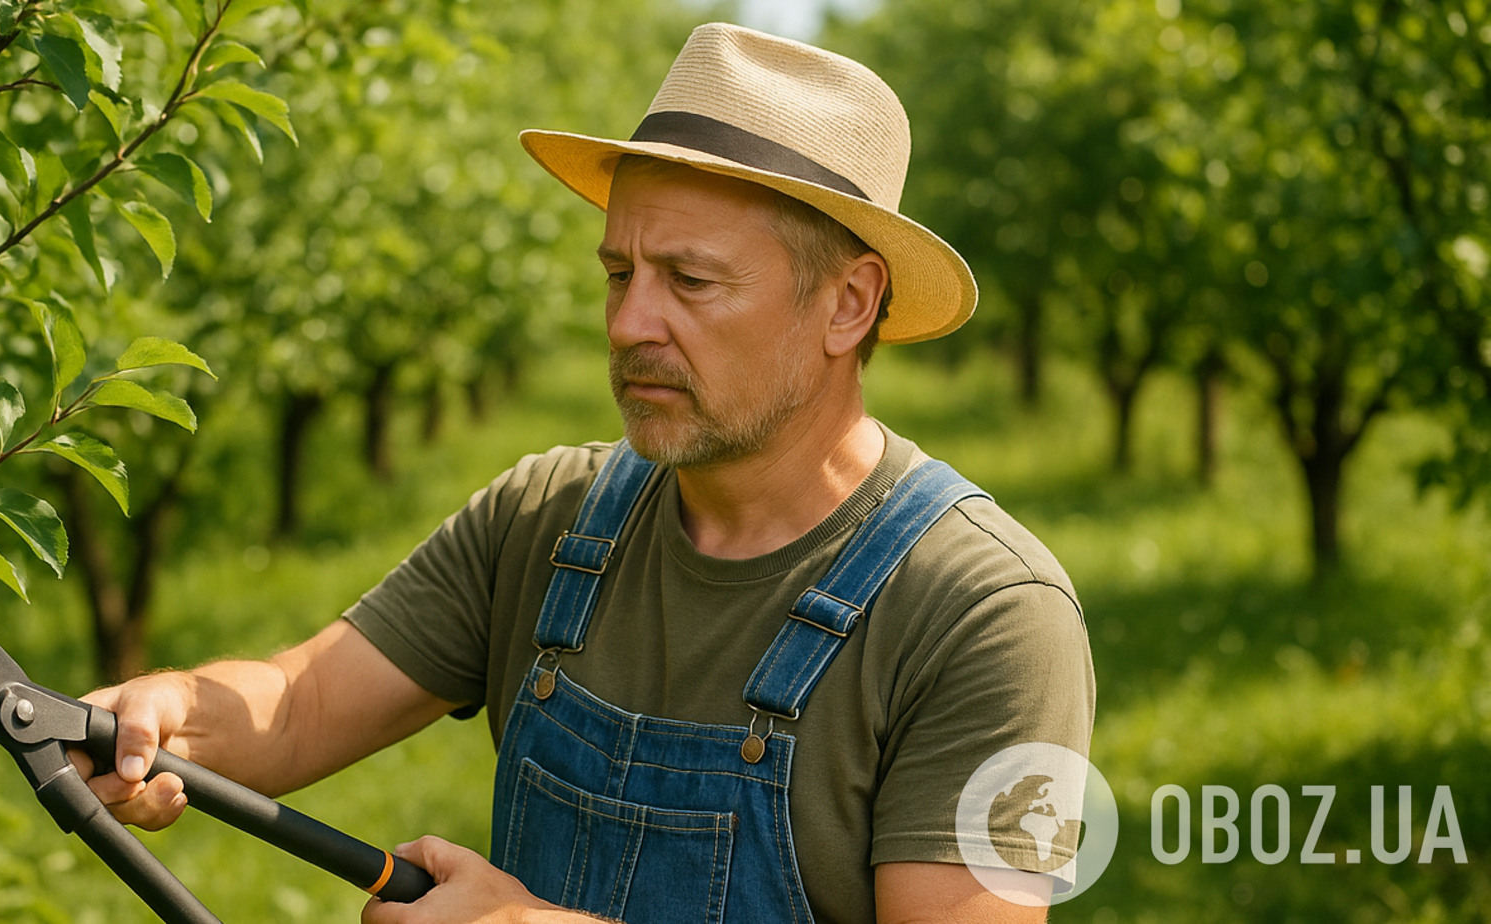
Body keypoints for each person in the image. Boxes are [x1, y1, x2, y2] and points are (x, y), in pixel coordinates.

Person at [70, 22, 1095, 924]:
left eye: (690, 281)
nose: (630, 324)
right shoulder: (548, 519)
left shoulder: (983, 616)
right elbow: (296, 703)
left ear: (847, 305)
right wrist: (170, 712)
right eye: (619, 272)